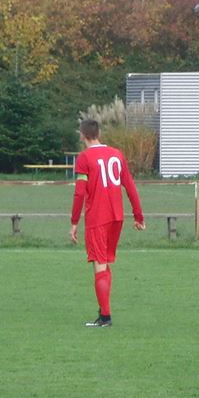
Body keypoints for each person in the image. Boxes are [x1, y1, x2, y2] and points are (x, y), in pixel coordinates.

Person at [69, 119, 144, 327]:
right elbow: (130, 186)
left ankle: (105, 317)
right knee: (104, 263)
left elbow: (79, 193)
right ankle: (104, 312)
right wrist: (138, 216)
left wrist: (74, 222)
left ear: (82, 135)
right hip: (117, 217)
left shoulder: (84, 158)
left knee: (99, 264)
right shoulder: (116, 154)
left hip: (98, 217)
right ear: (98, 133)